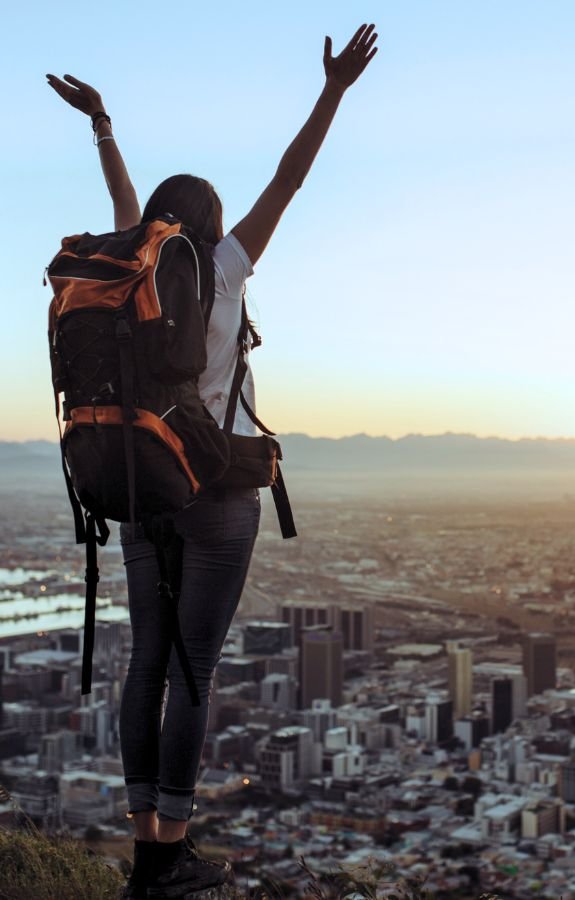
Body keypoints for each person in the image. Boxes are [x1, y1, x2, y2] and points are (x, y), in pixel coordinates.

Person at [47, 23, 378, 900]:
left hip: (139, 478)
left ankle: (143, 844)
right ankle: (173, 854)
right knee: (197, 661)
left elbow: (124, 203)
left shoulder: (137, 268)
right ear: (213, 225)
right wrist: (335, 91)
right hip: (219, 488)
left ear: (160, 222)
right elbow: (290, 177)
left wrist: (105, 126)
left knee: (146, 658)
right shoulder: (224, 267)